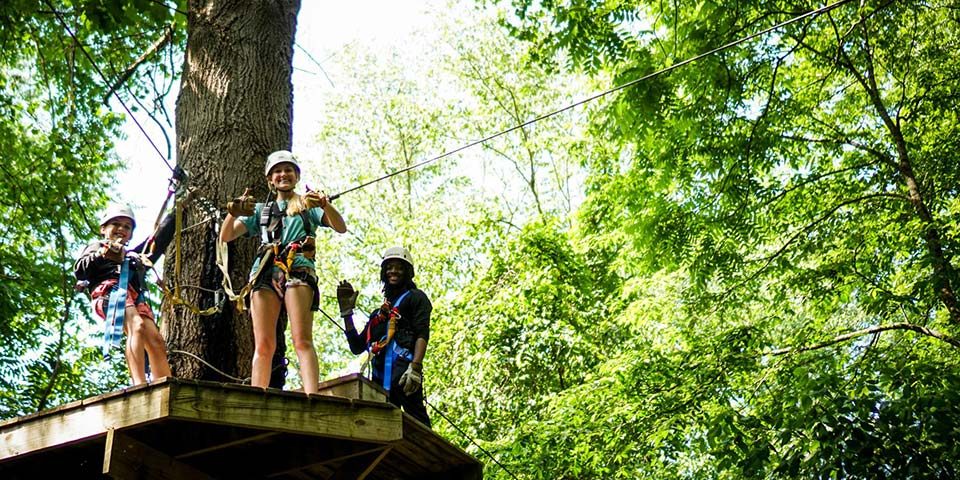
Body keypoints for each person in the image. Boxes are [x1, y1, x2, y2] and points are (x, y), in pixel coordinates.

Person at [220, 150, 346, 393]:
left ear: (296, 176)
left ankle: (311, 394)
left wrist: (324, 204)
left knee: (302, 339)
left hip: (298, 268)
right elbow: (226, 236)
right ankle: (258, 394)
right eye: (277, 171)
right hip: (265, 271)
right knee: (264, 344)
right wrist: (233, 212)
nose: (283, 174)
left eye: (288, 170)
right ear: (270, 179)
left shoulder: (308, 204)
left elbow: (340, 227)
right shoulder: (260, 210)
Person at [74, 204, 174, 385]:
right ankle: (139, 384)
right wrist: (101, 254)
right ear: (103, 229)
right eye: (116, 224)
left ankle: (166, 385)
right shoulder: (98, 247)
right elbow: (81, 271)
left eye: (127, 227)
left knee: (155, 339)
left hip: (134, 296)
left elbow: (156, 242)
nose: (121, 229)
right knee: (136, 326)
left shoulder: (134, 256)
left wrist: (177, 211)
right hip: (109, 291)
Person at [337, 246, 432, 427]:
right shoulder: (378, 316)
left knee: (418, 422)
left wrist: (416, 367)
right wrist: (347, 313)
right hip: (380, 382)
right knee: (383, 426)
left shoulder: (416, 298)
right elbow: (357, 347)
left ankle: (434, 455)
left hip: (405, 373)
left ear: (407, 272)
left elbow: (422, 332)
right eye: (389, 267)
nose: (393, 271)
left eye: (399, 267)